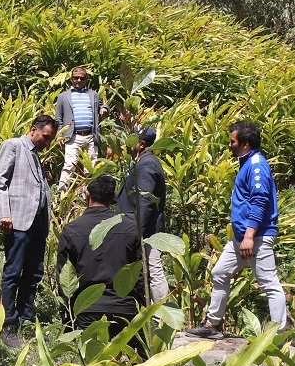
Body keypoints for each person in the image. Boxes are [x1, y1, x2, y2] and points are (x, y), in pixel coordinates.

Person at [186, 121, 286, 340]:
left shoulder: (256, 165)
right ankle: (212, 325)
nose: (229, 145)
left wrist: (250, 236)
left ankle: (277, 335)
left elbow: (260, 201)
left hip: (256, 235)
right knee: (220, 272)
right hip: (241, 237)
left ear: (245, 143)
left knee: (269, 283)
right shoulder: (247, 162)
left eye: (232, 141)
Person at [0, 114, 58, 347]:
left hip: (36, 223)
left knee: (34, 273)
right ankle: (7, 324)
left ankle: (25, 319)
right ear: (33, 128)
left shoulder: (35, 155)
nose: (46, 143)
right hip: (17, 220)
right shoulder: (14, 145)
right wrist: (3, 213)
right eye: (45, 137)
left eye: (50, 140)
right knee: (13, 272)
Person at [57, 175, 146, 353]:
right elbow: (140, 276)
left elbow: (65, 278)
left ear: (87, 195)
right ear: (113, 198)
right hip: (125, 309)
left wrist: (67, 318)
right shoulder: (130, 227)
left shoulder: (72, 230)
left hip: (87, 310)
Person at [115, 125, 170, 304]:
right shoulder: (141, 162)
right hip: (141, 228)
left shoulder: (147, 165)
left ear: (143, 144)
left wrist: (135, 231)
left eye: (132, 141)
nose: (127, 144)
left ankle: (162, 314)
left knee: (153, 269)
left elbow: (145, 202)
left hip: (145, 232)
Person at [55, 67, 110, 190]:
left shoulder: (93, 95)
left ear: (86, 79)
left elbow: (103, 105)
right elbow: (58, 119)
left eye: (82, 78)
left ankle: (88, 195)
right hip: (72, 136)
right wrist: (59, 135)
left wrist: (104, 109)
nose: (79, 80)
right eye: (76, 78)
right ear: (71, 79)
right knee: (69, 165)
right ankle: (62, 196)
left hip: (91, 136)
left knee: (91, 167)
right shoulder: (63, 96)